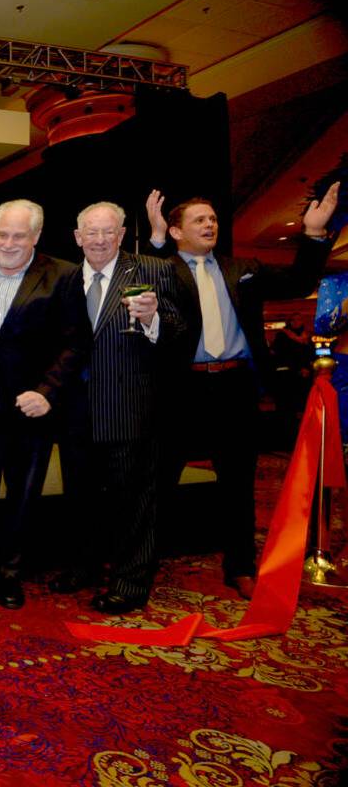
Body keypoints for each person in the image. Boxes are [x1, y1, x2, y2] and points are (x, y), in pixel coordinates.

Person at [145, 184, 339, 599]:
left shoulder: (242, 268)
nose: (209, 224)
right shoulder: (163, 269)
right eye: (199, 220)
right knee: (160, 480)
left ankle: (241, 566)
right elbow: (143, 277)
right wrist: (158, 241)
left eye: (212, 219)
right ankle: (141, 564)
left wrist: (315, 234)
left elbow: (300, 279)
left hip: (235, 386)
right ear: (177, 232)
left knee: (238, 482)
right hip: (182, 387)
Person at [57, 202, 182, 613]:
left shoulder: (152, 269)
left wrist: (153, 319)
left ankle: (130, 582)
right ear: (77, 237)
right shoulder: (66, 278)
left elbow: (182, 330)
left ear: (123, 233)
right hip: (76, 413)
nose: (98, 239)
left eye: (107, 231)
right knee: (81, 497)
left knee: (135, 502)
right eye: (90, 232)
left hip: (130, 406)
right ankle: (84, 566)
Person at [0, 200, 87, 609]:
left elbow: (76, 342)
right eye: (2, 234)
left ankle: (9, 572)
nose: (8, 243)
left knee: (23, 492)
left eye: (19, 235)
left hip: (30, 401)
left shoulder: (64, 275)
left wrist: (47, 391)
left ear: (36, 236)